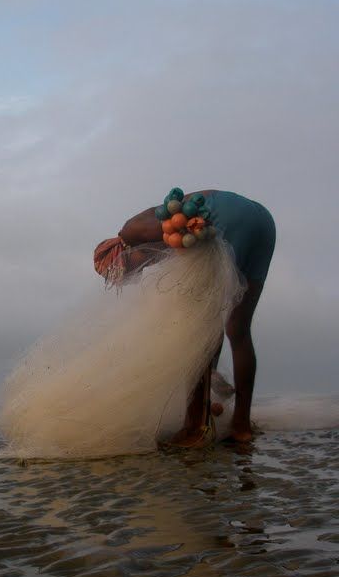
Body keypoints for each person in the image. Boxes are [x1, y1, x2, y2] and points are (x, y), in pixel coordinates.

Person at [94, 190, 275, 444]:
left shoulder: (132, 231)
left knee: (197, 326)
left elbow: (182, 226)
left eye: (124, 271)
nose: (131, 277)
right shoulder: (150, 245)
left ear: (121, 253)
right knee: (238, 328)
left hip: (220, 216)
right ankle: (241, 425)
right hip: (263, 223)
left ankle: (194, 429)